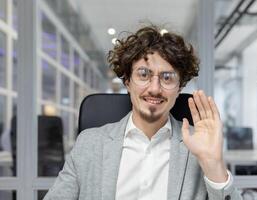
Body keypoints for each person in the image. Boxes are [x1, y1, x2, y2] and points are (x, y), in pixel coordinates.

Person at [44, 26, 242, 200]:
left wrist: (213, 165)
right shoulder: (89, 143)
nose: (155, 88)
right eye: (144, 74)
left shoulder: (199, 146)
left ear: (179, 88)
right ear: (127, 81)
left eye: (167, 77)